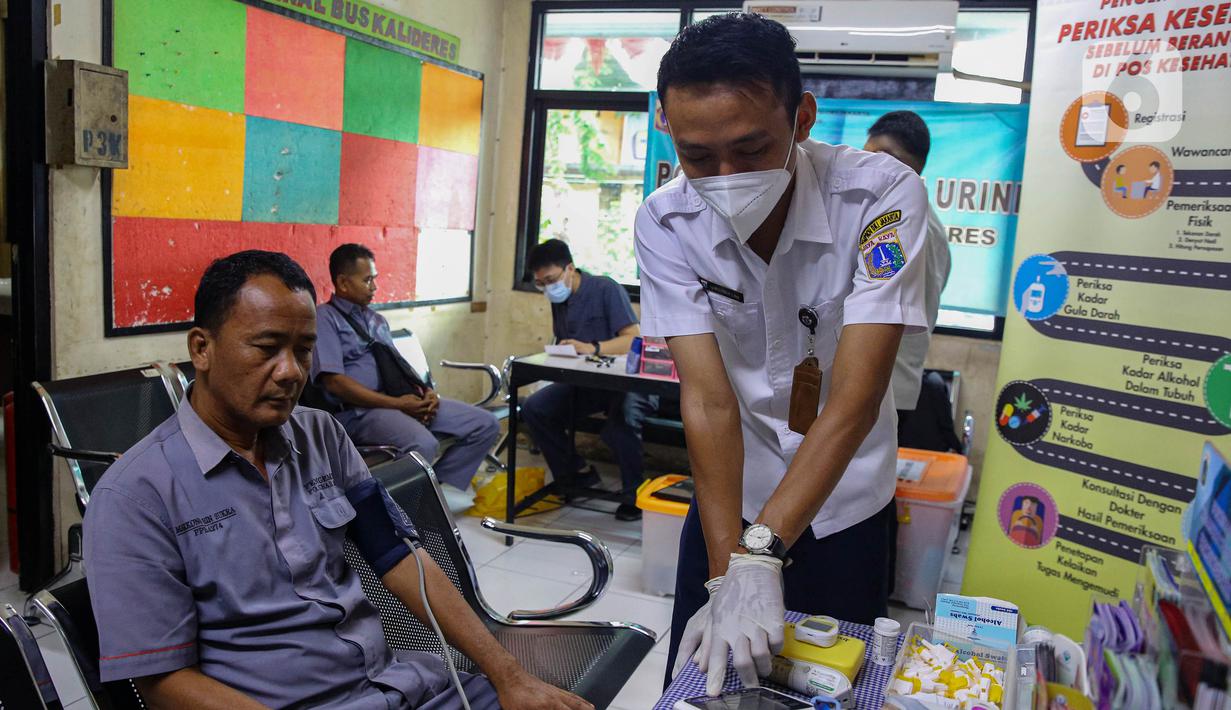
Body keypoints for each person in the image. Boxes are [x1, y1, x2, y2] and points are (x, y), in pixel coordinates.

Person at [82, 251, 591, 709]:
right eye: (266, 348)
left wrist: (508, 675)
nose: (290, 372)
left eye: (304, 350)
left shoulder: (320, 434)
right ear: (201, 348)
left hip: (406, 685)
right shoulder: (136, 496)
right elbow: (162, 682)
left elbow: (397, 555)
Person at [634, 13, 928, 695]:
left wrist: (760, 556)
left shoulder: (880, 197)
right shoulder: (665, 219)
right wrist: (723, 575)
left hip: (843, 500)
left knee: (827, 689)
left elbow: (852, 402)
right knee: (704, 684)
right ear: (666, 127)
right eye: (698, 156)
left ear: (801, 118)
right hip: (728, 497)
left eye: (750, 147)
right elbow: (707, 401)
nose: (725, 175)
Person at [312, 243, 500, 511]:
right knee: (423, 443)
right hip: (360, 412)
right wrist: (399, 405)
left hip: (399, 403)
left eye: (374, 278)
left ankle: (429, 495)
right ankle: (400, 513)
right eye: (367, 280)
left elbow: (398, 368)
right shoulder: (325, 319)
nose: (374, 286)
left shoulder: (377, 321)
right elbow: (335, 383)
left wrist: (425, 394)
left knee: (485, 424)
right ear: (342, 282)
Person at [521, 239, 657, 521]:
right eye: (540, 284)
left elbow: (633, 338)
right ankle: (576, 475)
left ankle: (635, 494)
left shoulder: (605, 288)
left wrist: (593, 348)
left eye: (551, 280)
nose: (547, 288)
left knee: (619, 425)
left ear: (570, 268)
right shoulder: (560, 299)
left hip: (629, 381)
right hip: (590, 381)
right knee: (536, 408)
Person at [863, 111, 953, 444]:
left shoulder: (912, 227)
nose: (865, 168)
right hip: (872, 383)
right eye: (864, 154)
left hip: (879, 387)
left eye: (877, 159)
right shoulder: (894, 216)